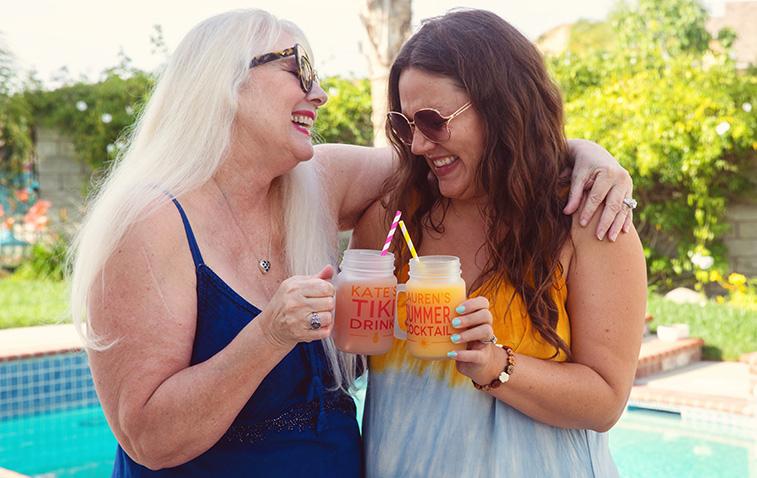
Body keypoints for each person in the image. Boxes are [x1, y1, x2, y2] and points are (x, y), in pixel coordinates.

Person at [68, 8, 634, 477]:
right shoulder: (151, 221)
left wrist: (580, 152)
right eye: (299, 68)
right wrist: (271, 334)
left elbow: (485, 154)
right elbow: (148, 437)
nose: (321, 91)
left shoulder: (317, 180)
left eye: (431, 120)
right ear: (228, 80)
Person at [351, 9, 647, 478]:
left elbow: (605, 400)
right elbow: (360, 359)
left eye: (433, 120)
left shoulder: (588, 222)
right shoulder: (392, 218)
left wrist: (496, 364)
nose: (420, 146)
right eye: (407, 125)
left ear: (503, 108)